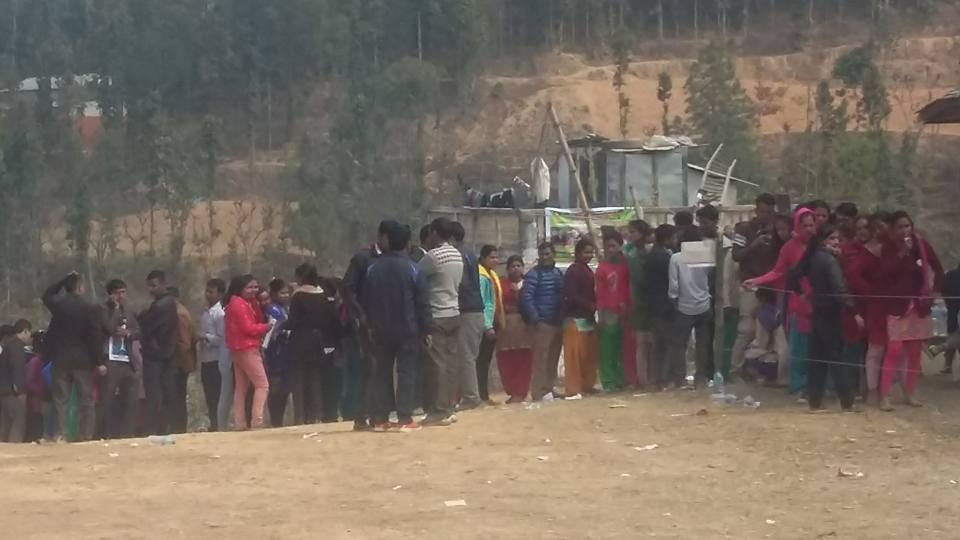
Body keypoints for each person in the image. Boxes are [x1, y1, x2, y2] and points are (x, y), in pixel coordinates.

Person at [361, 223, 432, 432]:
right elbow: (422, 302)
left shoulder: (373, 268)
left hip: (380, 329)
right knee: (406, 373)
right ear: (408, 243)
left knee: (382, 373)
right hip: (408, 329)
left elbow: (366, 299)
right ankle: (404, 418)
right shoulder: (413, 268)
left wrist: (370, 325)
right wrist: (427, 329)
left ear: (388, 241)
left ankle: (381, 418)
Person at [874, 211, 944, 411]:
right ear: (892, 230)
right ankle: (884, 395)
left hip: (919, 305)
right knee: (894, 350)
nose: (905, 230)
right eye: (900, 227)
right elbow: (886, 272)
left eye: (908, 226)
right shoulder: (888, 247)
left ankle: (910, 392)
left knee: (915, 352)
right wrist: (902, 253)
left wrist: (935, 291)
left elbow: (938, 268)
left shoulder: (921, 244)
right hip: (898, 306)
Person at [745, 208, 817, 398]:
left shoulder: (819, 245)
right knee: (798, 346)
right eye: (805, 225)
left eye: (812, 225)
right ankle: (799, 386)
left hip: (819, 302)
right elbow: (777, 272)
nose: (809, 229)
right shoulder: (789, 248)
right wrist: (757, 281)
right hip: (797, 302)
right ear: (797, 226)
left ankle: (816, 385)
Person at [793, 224, 858, 412]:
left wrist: (805, 294)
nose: (836, 242)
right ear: (823, 241)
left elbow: (794, 276)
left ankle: (815, 402)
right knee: (837, 358)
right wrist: (852, 308)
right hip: (831, 313)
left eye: (838, 238)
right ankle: (847, 402)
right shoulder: (829, 260)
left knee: (817, 359)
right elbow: (839, 288)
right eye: (832, 238)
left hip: (817, 311)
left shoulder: (812, 257)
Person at [341, 221, 394, 431]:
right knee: (371, 367)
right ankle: (362, 416)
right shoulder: (363, 258)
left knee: (384, 368)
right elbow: (347, 288)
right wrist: (360, 315)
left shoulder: (393, 258)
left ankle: (379, 415)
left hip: (388, 321)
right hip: (367, 323)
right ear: (381, 236)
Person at [43, 272, 105, 442]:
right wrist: (99, 361)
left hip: (60, 358)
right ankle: (85, 435)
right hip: (83, 360)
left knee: (60, 399)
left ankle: (60, 434)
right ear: (80, 287)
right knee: (86, 400)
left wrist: (63, 280)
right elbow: (95, 336)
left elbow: (46, 295)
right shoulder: (90, 308)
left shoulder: (59, 305)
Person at [418, 217, 464, 426]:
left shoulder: (433, 256)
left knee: (437, 365)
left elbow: (415, 274)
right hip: (454, 312)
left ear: (435, 233)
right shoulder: (456, 254)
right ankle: (449, 406)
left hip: (437, 314)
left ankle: (438, 411)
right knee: (451, 363)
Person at [730, 194, 779, 381]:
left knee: (767, 331)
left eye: (770, 212)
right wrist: (755, 245)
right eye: (764, 212)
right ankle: (735, 370)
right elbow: (736, 255)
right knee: (747, 330)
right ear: (756, 210)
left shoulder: (776, 230)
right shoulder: (743, 229)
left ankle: (758, 370)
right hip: (749, 284)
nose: (767, 216)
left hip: (770, 286)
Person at [287, 265, 343, 425]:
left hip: (300, 341)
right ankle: (315, 415)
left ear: (301, 277)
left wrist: (280, 326)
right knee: (314, 378)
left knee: (298, 379)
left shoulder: (298, 296)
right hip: (319, 341)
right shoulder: (323, 295)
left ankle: (299, 417)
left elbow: (293, 321)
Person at [667, 226, 714, 388]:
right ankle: (701, 377)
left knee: (679, 344)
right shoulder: (705, 256)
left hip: (684, 306)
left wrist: (674, 300)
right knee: (703, 343)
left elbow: (674, 285)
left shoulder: (676, 258)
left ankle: (679, 377)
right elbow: (709, 278)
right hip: (704, 304)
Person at [224, 275, 271, 429]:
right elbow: (248, 328)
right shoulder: (239, 305)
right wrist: (266, 327)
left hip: (237, 349)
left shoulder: (238, 303)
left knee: (241, 387)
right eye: (249, 287)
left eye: (255, 287)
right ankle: (257, 421)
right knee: (262, 385)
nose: (253, 290)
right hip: (247, 348)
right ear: (240, 289)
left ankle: (240, 422)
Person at [98, 279, 141, 439]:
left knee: (131, 398)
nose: (121, 296)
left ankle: (127, 433)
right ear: (111, 294)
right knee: (106, 398)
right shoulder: (102, 310)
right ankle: (99, 433)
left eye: (123, 292)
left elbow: (139, 331)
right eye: (118, 293)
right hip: (110, 359)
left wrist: (128, 333)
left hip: (127, 360)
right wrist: (115, 309)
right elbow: (108, 328)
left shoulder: (129, 311)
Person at [522, 242, 565, 402]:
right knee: (540, 360)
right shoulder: (534, 274)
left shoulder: (558, 273)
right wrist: (536, 319)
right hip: (543, 323)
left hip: (557, 322)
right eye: (542, 254)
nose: (545, 257)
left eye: (547, 254)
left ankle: (548, 389)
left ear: (553, 254)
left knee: (553, 359)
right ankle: (538, 392)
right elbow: (526, 297)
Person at [451, 221, 485, 411]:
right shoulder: (469, 252)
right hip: (475, 309)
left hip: (467, 309)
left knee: (466, 356)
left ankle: (471, 397)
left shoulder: (459, 255)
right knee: (469, 355)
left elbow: (461, 282)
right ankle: (469, 395)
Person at [562, 239, 598, 400]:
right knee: (574, 357)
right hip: (575, 318)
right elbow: (572, 294)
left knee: (588, 355)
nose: (589, 255)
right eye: (586, 252)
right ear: (578, 253)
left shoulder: (587, 270)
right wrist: (590, 305)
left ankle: (587, 385)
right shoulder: (574, 271)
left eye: (591, 252)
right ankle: (573, 389)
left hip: (587, 318)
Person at [596, 229, 630, 392]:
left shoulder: (627, 264)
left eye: (613, 246)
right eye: (607, 246)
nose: (610, 249)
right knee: (607, 349)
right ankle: (608, 382)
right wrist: (601, 316)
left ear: (620, 246)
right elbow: (600, 294)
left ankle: (621, 379)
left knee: (622, 348)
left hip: (627, 312)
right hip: (609, 312)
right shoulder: (602, 268)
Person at [496, 256, 534, 403]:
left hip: (525, 327)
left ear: (523, 268)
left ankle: (521, 391)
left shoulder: (529, 284)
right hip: (506, 327)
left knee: (524, 359)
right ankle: (512, 390)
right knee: (506, 360)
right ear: (507, 269)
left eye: (518, 265)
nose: (516, 268)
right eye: (513, 266)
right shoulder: (501, 284)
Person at [645, 224, 677, 388]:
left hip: (654, 305)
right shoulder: (664, 258)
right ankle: (664, 377)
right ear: (666, 239)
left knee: (658, 344)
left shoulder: (653, 255)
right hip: (664, 306)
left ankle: (656, 378)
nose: (676, 240)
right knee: (668, 343)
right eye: (674, 237)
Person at [623, 219, 653, 389]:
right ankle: (643, 379)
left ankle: (647, 377)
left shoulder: (644, 251)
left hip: (644, 302)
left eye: (633, 232)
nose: (630, 235)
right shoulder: (631, 253)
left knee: (648, 342)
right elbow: (639, 279)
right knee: (642, 342)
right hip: (638, 301)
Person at [169, 286, 198, 434]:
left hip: (179, 364)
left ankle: (178, 429)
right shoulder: (180, 311)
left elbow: (184, 343)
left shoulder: (179, 314)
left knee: (177, 398)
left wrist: (171, 358)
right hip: (181, 362)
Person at [477, 245, 503, 405]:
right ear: (483, 258)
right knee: (480, 361)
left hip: (494, 321)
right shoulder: (481, 276)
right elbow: (483, 302)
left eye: (496, 257)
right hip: (485, 324)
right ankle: (481, 396)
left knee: (485, 361)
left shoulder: (491, 274)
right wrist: (487, 325)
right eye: (492, 257)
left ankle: (484, 395)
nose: (495, 260)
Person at [199, 278, 227, 431]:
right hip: (206, 359)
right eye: (207, 291)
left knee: (216, 394)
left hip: (216, 360)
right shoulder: (206, 312)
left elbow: (221, 339)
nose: (208, 294)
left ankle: (219, 424)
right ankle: (213, 424)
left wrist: (205, 337)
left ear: (220, 294)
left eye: (211, 292)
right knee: (209, 395)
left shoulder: (219, 314)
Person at [264, 278, 292, 427]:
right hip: (275, 353)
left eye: (287, 293)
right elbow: (271, 333)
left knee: (285, 388)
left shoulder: (285, 309)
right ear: (274, 294)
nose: (286, 295)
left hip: (286, 354)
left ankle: (279, 421)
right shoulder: (272, 310)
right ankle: (275, 421)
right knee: (276, 387)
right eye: (282, 293)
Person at [0, 319, 31, 442]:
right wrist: (20, 390)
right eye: (29, 333)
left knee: (5, 421)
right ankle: (14, 445)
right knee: (19, 416)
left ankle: (3, 446)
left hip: (3, 388)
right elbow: (17, 368)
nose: (29, 337)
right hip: (10, 390)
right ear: (25, 331)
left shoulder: (8, 344)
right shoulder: (16, 346)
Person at [943, 262, 960, 375]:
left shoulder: (950, 275)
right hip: (954, 311)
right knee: (953, 338)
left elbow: (944, 292)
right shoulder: (950, 275)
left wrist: (949, 305)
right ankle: (947, 365)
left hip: (953, 312)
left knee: (952, 337)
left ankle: (947, 365)